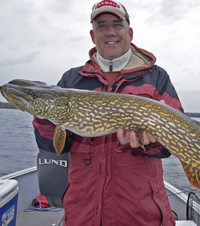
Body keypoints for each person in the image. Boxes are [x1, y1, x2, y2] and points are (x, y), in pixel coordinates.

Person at [33, 1, 183, 225]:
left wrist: (151, 142)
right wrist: (45, 118)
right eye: (101, 25)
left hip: (141, 217)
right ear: (93, 35)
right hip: (82, 216)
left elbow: (171, 145)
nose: (110, 32)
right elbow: (54, 147)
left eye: (117, 24)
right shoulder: (71, 81)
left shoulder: (156, 77)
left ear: (129, 32)